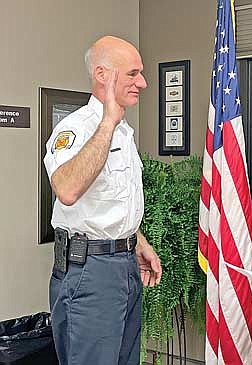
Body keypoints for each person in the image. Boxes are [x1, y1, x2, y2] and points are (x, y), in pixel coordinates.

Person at [43, 36, 162, 365]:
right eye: (132, 74)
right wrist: (107, 121)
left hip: (124, 267)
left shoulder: (123, 132)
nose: (143, 82)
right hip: (90, 273)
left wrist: (137, 242)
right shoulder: (78, 128)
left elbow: (107, 204)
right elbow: (66, 189)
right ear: (102, 74)